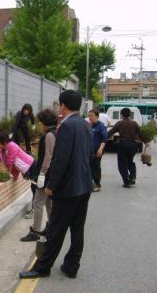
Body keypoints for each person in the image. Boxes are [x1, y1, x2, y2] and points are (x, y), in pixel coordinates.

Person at [19, 90, 93, 280]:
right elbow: (88, 154)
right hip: (84, 185)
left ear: (63, 105)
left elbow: (61, 159)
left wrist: (51, 184)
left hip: (68, 188)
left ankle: (42, 267)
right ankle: (71, 265)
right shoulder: (85, 124)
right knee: (77, 229)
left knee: (55, 230)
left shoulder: (66, 127)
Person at [20, 109, 57, 242]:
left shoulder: (49, 135)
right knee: (48, 203)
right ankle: (53, 228)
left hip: (46, 174)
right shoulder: (54, 133)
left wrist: (42, 174)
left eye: (41, 122)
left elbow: (48, 157)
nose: (40, 125)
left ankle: (35, 231)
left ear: (45, 123)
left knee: (37, 203)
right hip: (50, 174)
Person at [108, 108, 141, 188]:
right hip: (133, 145)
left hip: (123, 144)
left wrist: (102, 137)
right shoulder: (135, 123)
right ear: (130, 114)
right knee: (130, 161)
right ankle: (132, 177)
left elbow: (111, 132)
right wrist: (146, 142)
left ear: (121, 115)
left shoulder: (120, 123)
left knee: (122, 163)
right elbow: (141, 134)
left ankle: (126, 181)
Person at [88, 109, 108, 192]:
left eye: (91, 115)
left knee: (96, 166)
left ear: (97, 116)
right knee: (89, 166)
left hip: (97, 150)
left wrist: (100, 149)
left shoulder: (101, 126)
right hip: (89, 150)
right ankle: (90, 183)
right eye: (89, 115)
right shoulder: (89, 125)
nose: (90, 117)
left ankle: (97, 184)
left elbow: (104, 139)